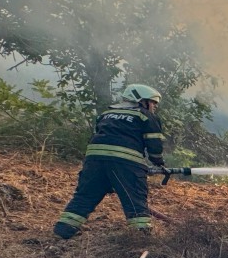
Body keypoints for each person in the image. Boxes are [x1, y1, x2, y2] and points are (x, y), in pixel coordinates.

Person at [53, 84, 165, 239]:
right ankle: (141, 234)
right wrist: (158, 161)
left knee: (86, 194)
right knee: (134, 197)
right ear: (141, 100)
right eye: (152, 102)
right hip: (125, 162)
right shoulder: (144, 115)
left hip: (94, 160)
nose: (154, 106)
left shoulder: (106, 114)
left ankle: (64, 229)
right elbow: (154, 143)